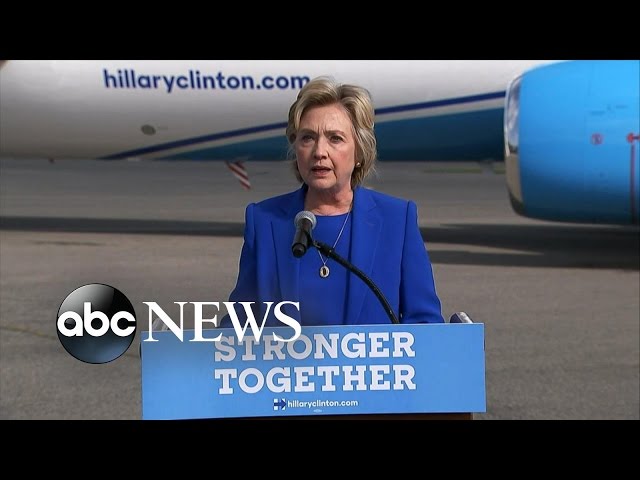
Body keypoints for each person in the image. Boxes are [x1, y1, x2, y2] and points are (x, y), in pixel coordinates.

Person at [221, 76, 444, 327]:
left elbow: (425, 324)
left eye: (335, 138)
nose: (319, 152)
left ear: (359, 151)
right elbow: (239, 325)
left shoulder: (397, 220)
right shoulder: (264, 220)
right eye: (307, 138)